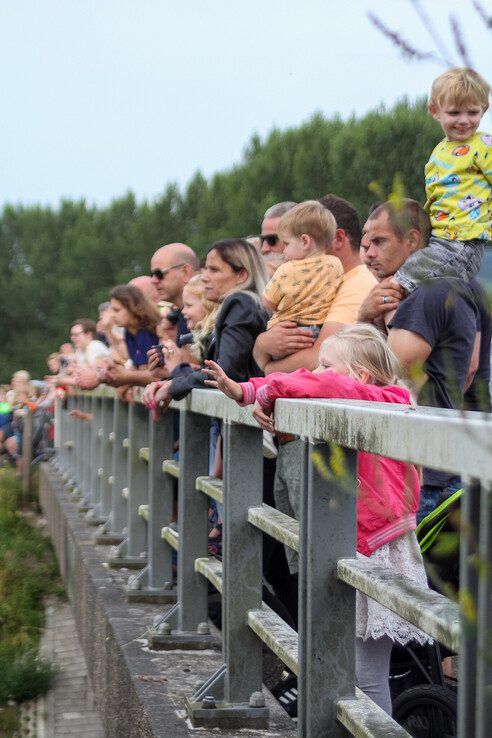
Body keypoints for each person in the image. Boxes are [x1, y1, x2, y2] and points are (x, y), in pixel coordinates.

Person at [205, 323, 431, 715]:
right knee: (350, 668)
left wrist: (269, 392)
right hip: (363, 543)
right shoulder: (368, 397)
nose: (314, 373)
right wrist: (249, 392)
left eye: (325, 365)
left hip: (377, 547)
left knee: (366, 674)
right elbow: (312, 383)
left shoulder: (378, 398)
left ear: (359, 375)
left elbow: (326, 387)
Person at [358, 199, 483, 520]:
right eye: (366, 242)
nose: (369, 252)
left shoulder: (431, 291)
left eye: (380, 241)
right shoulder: (464, 285)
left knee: (417, 570)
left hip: (427, 472)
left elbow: (388, 373)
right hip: (452, 462)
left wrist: (368, 318)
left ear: (413, 241)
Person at [392, 67, 491, 297]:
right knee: (402, 274)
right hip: (440, 239)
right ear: (435, 111)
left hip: (463, 243)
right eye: (455, 113)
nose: (464, 121)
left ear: (484, 109)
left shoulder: (484, 145)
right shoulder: (440, 150)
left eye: (472, 113)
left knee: (403, 282)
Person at [253, 195, 377, 373]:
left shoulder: (358, 284)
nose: (283, 250)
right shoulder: (337, 277)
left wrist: (267, 365)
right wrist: (262, 344)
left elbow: (318, 359)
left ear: (339, 238)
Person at [262, 201, 343, 334]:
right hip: (318, 332)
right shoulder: (336, 264)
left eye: (286, 244)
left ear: (305, 241)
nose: (284, 251)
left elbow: (266, 304)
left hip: (284, 332)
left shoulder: (286, 269)